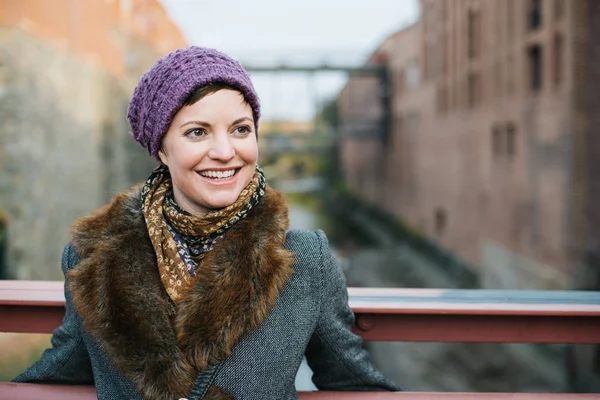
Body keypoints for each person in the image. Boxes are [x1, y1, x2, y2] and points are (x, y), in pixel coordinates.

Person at [13, 46, 398, 400]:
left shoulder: (306, 260)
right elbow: (63, 370)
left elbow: (354, 383)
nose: (225, 152)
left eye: (240, 129)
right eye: (197, 132)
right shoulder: (91, 258)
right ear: (161, 148)